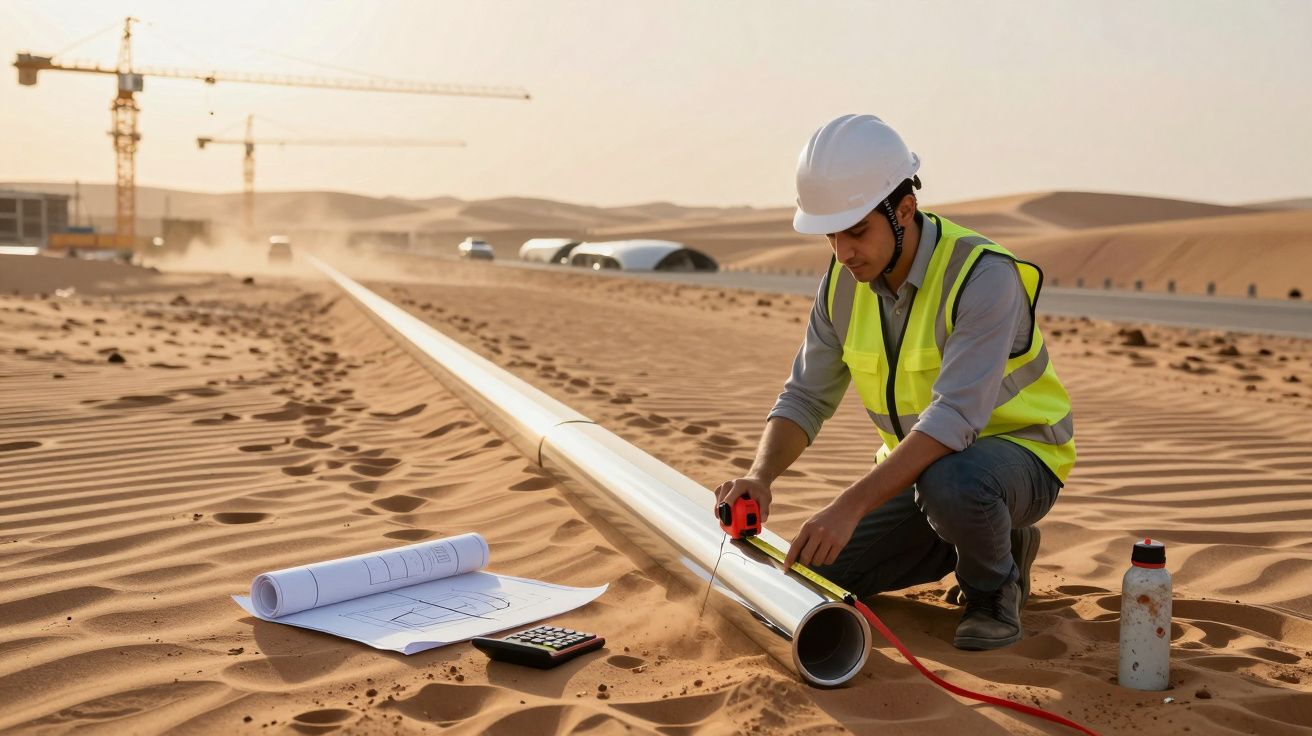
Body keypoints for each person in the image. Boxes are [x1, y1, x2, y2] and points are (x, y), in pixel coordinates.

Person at [713, 114, 1076, 650]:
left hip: (1018, 460)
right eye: (831, 234)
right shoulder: (842, 282)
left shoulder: (982, 275)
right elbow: (806, 395)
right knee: (826, 582)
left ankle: (993, 589)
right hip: (920, 473)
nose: (844, 251)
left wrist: (850, 505)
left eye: (857, 230)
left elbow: (954, 420)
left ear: (904, 209)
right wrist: (760, 475)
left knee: (956, 483)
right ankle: (994, 539)